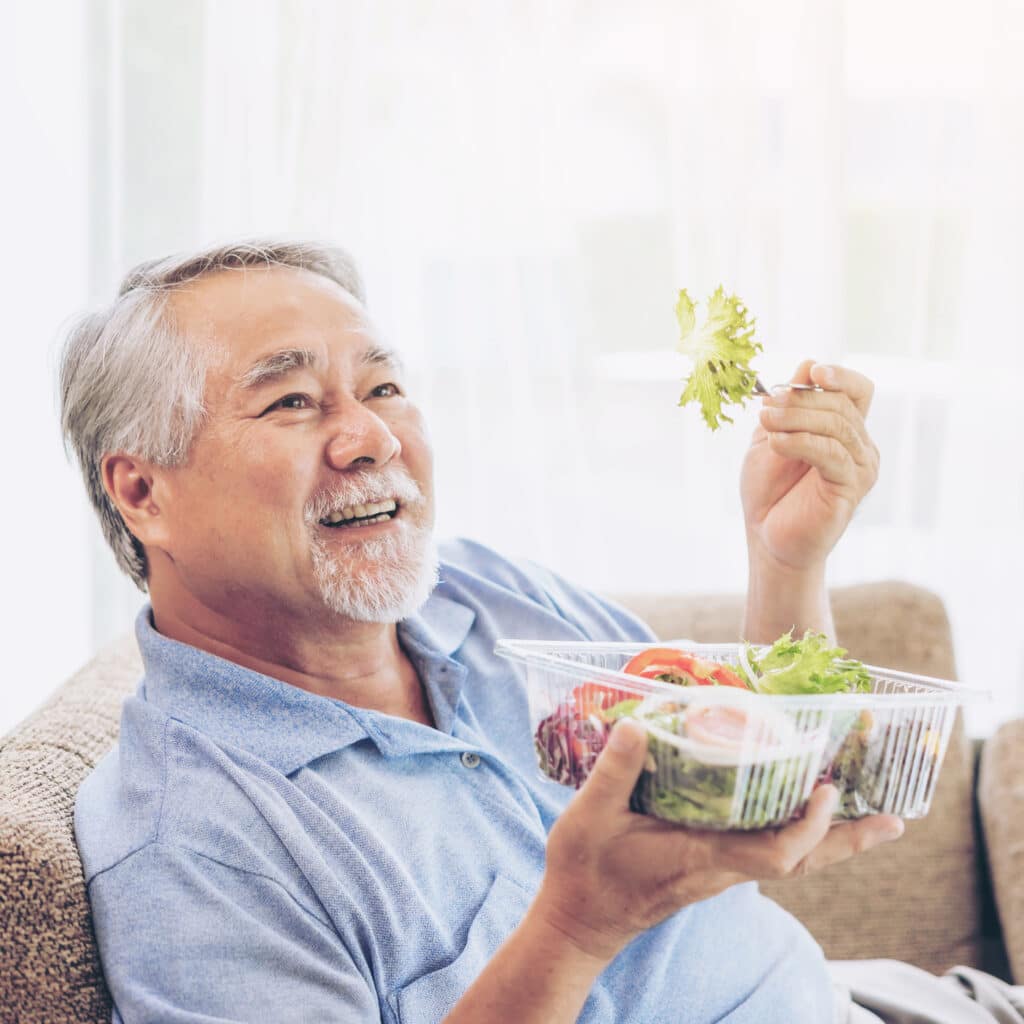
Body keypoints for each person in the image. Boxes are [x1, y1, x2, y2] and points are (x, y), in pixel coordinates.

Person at [61, 240, 1009, 1024]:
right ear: (144, 493)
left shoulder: (489, 594)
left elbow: (762, 771)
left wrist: (786, 560)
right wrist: (575, 928)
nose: (373, 439)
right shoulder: (189, 845)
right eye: (292, 402)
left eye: (384, 388)